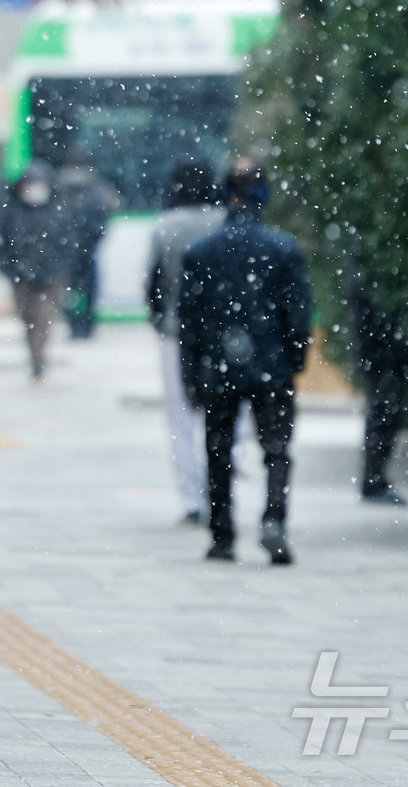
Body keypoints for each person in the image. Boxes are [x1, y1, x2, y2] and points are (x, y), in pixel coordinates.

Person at [179, 160, 311, 565]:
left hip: (219, 364)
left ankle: (222, 535)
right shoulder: (284, 249)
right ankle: (274, 518)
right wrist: (294, 359)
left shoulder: (201, 253)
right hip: (272, 364)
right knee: (277, 449)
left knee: (218, 450)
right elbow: (299, 313)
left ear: (226, 193)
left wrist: (192, 373)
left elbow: (190, 322)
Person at [146, 161, 227, 524]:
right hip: (222, 332)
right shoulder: (224, 221)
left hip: (175, 333)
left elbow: (153, 283)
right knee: (224, 413)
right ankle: (221, 490)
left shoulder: (165, 227)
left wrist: (160, 319)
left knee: (179, 417)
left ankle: (191, 499)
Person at [0, 162, 69, 381]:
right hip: (21, 278)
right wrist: (11, 271)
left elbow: (67, 244)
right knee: (29, 320)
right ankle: (35, 358)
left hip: (51, 278)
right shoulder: (11, 212)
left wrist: (60, 271)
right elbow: (4, 246)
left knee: (44, 318)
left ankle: (39, 360)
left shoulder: (58, 210)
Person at [350, 271, 408, 505]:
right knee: (382, 416)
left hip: (379, 352)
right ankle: (374, 481)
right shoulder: (374, 273)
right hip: (381, 354)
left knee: (383, 416)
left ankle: (374, 480)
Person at [57, 151, 118, 339]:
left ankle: (73, 324)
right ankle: (87, 324)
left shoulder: (58, 183)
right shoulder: (96, 184)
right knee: (90, 286)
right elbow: (113, 204)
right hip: (90, 244)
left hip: (65, 247)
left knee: (70, 288)